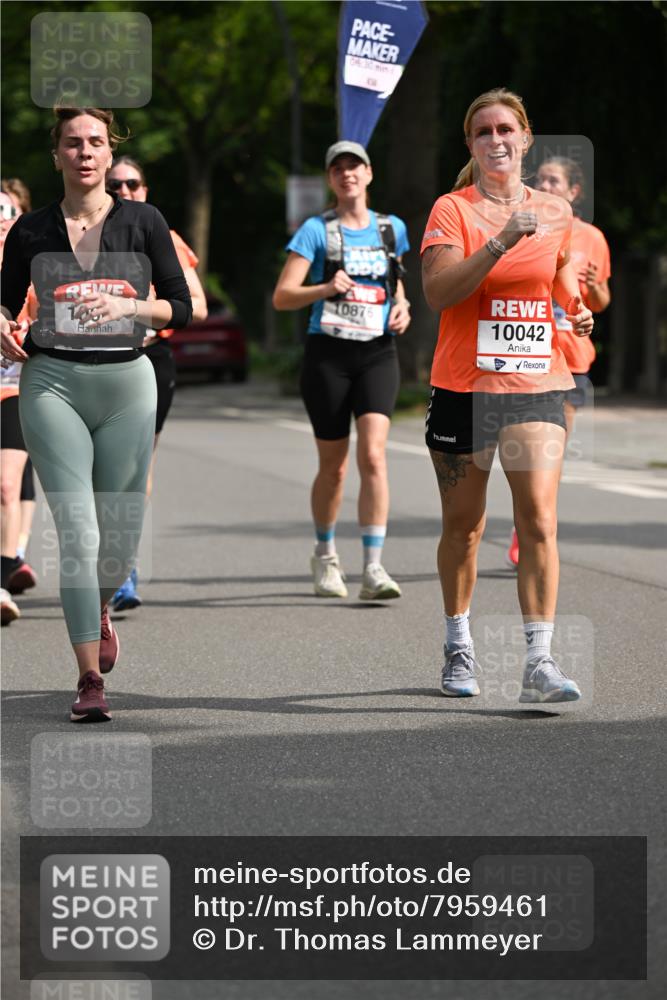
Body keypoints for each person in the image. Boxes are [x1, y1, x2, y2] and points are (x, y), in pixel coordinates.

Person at [0, 106, 192, 721]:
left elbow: (183, 308)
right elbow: (2, 308)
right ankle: (88, 679)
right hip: (51, 382)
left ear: (111, 155)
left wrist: (130, 308)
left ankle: (100, 607)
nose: (85, 152)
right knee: (78, 535)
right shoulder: (29, 231)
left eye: (96, 143)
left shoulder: (144, 221)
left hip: (127, 385)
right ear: (56, 154)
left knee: (118, 542)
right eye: (72, 143)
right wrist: (3, 327)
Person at [421, 88, 594, 703]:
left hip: (536, 384)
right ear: (471, 145)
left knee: (540, 519)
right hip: (463, 387)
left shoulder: (556, 211)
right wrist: (498, 242)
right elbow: (440, 294)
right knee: (464, 528)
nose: (496, 139)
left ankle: (540, 661)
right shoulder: (452, 210)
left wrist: (575, 316)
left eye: (505, 129)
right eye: (482, 132)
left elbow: (560, 286)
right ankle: (458, 643)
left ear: (524, 138)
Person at [273, 141, 411, 601]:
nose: (347, 174)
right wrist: (325, 286)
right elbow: (283, 295)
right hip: (328, 355)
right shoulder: (317, 230)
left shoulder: (392, 229)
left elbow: (397, 282)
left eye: (355, 166)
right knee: (333, 469)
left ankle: (373, 566)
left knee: (373, 456)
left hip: (377, 352)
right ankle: (326, 555)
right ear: (331, 179)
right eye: (338, 168)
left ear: (370, 174)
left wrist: (403, 306)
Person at [104, 155, 208, 610]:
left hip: (149, 359)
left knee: (135, 469)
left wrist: (140, 308)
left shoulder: (163, 237)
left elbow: (197, 307)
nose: (124, 191)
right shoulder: (83, 236)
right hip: (95, 359)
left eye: (132, 184)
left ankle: (123, 569)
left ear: (145, 189)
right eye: (115, 185)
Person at [505, 156, 612, 567]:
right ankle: (530, 518)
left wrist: (593, 287)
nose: (546, 185)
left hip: (570, 358)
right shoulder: (519, 224)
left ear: (573, 192)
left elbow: (600, 303)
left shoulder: (592, 239)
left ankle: (530, 527)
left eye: (555, 180)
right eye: (541, 178)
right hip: (523, 352)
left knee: (551, 450)